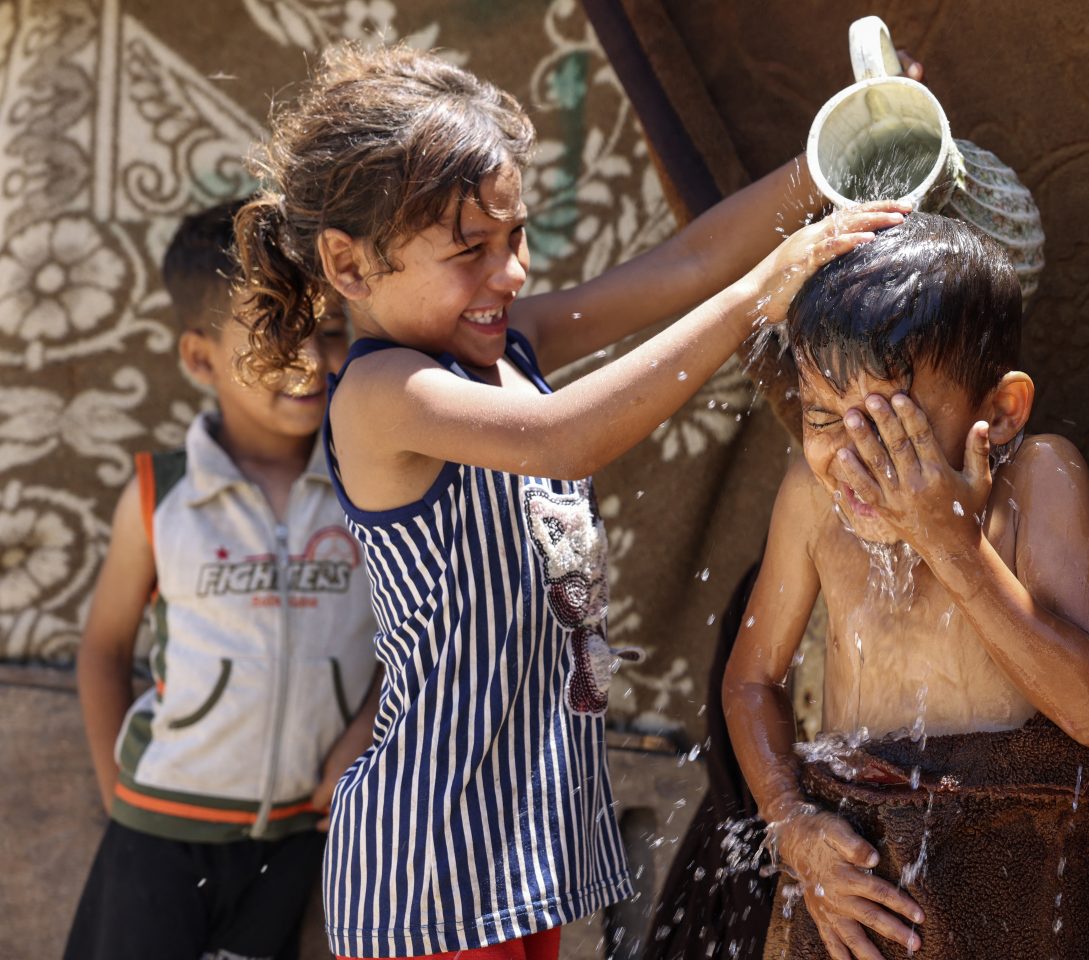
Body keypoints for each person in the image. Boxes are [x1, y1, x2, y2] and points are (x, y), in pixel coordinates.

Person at [231, 42, 907, 960]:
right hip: (427, 857)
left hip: (515, 850)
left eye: (514, 240)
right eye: (471, 251)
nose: (509, 276)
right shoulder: (382, 396)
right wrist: (763, 291)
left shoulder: (513, 345)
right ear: (349, 267)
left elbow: (690, 259)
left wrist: (844, 146)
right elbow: (567, 437)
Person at [723, 211, 1089, 960]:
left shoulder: (1040, 481)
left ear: (1001, 411)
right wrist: (792, 825)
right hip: (863, 900)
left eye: (890, 426)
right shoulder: (812, 499)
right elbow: (751, 683)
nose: (852, 462)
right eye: (823, 418)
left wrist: (952, 543)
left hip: (1018, 893)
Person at [66, 200, 382, 960]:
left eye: (329, 330)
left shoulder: (372, 495)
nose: (311, 359)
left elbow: (414, 641)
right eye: (277, 336)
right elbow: (104, 648)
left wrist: (362, 740)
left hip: (297, 838)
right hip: (159, 837)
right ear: (202, 359)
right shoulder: (158, 498)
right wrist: (121, 797)